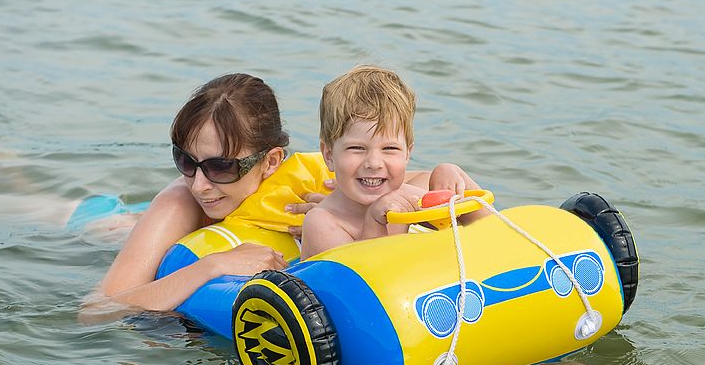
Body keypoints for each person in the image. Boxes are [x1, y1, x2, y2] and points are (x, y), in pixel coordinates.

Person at [82, 72, 441, 317]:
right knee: (83, 219)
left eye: (221, 167)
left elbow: (409, 178)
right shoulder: (181, 200)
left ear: (271, 161)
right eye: (186, 161)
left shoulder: (318, 174)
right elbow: (99, 309)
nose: (200, 184)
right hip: (110, 231)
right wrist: (214, 265)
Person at [299, 65, 486, 260]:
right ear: (329, 156)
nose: (374, 163)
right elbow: (365, 281)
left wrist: (453, 176)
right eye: (357, 148)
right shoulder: (321, 222)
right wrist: (374, 222)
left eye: (390, 149)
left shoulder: (404, 196)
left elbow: (490, 232)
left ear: (407, 154)